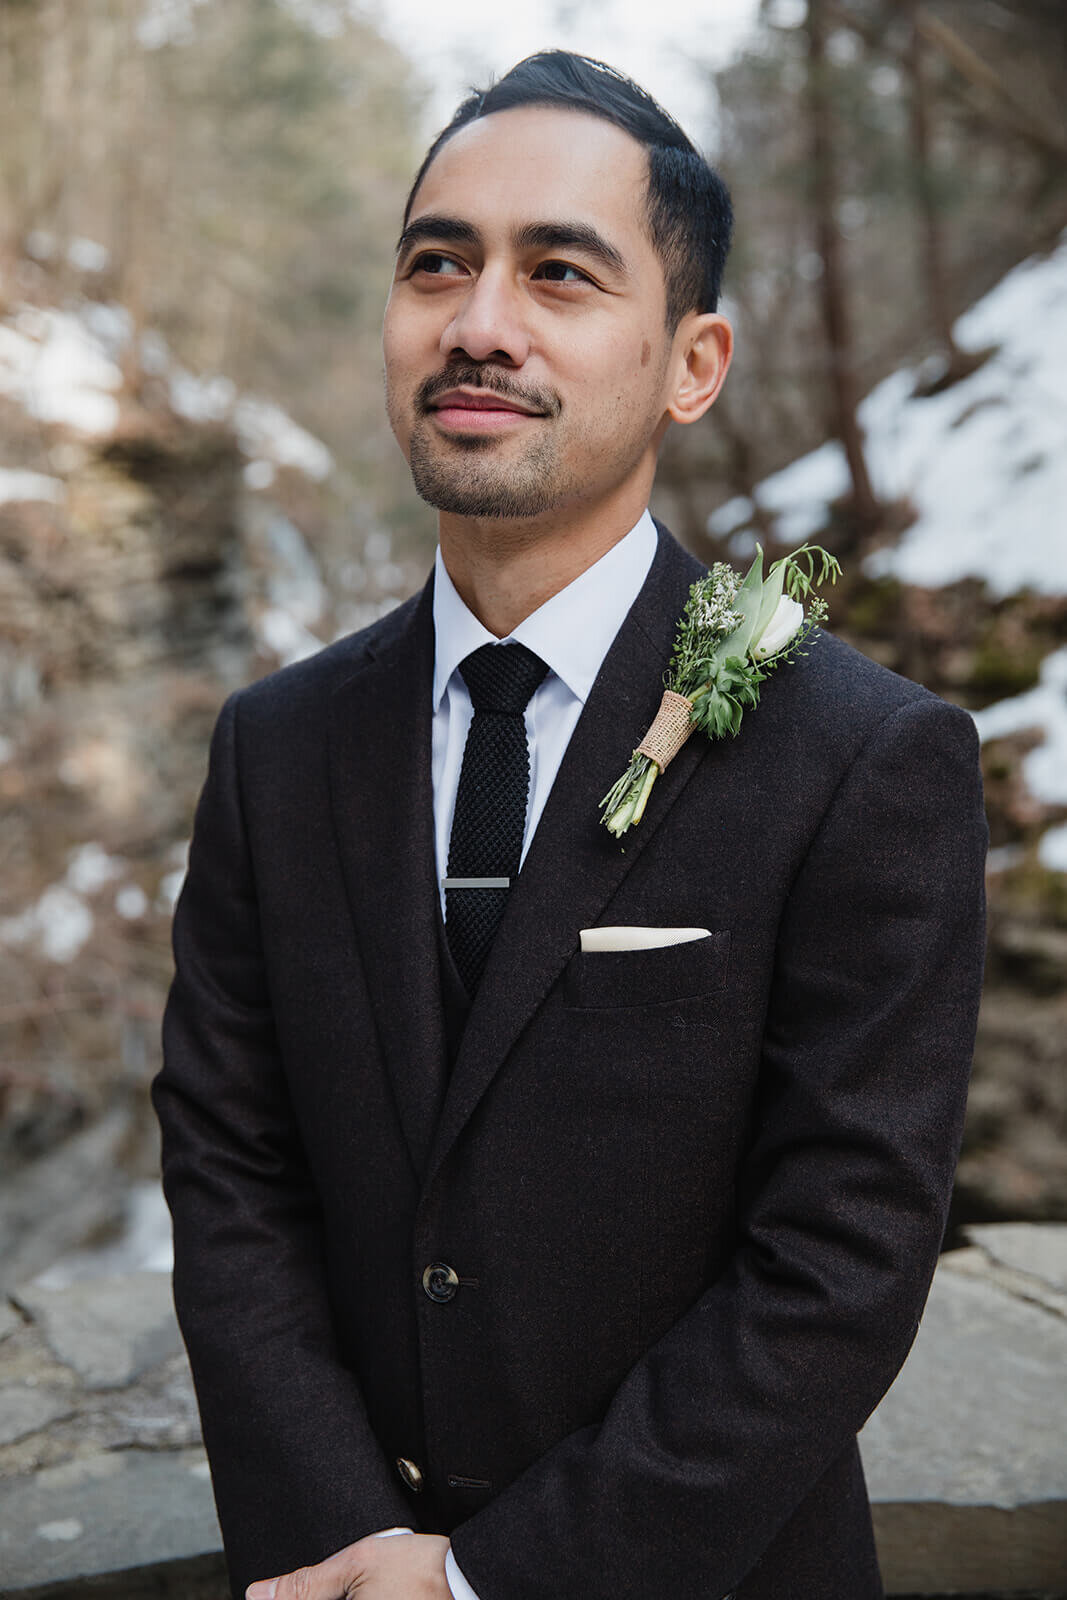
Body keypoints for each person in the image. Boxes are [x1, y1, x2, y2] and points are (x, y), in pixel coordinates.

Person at [152, 50, 987, 1600]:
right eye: (436, 264)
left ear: (694, 361)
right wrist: (345, 1537)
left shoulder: (866, 757)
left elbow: (840, 1261)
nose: (479, 323)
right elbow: (229, 1168)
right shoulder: (276, 747)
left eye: (560, 274)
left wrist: (490, 1584)